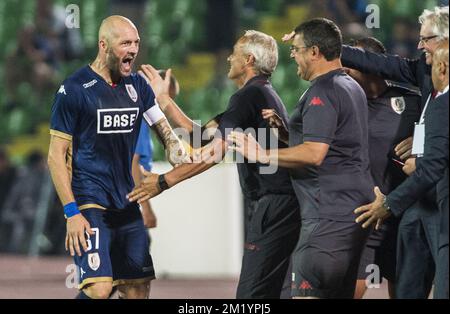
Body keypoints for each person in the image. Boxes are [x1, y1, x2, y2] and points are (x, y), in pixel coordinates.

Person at [130, 30, 301, 299]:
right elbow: (200, 136)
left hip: (273, 205)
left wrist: (164, 182)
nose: (230, 57)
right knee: (276, 292)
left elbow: (215, 151)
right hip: (279, 204)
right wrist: (164, 100)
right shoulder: (258, 95)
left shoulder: (248, 97)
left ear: (249, 59)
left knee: (251, 296)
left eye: (235, 52)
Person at [229, 18, 374, 299]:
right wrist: (286, 136)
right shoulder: (350, 86)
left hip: (325, 217)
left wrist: (261, 153)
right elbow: (336, 146)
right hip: (351, 213)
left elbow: (315, 153)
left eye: (296, 49)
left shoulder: (323, 91)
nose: (292, 54)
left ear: (315, 52)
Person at [47, 15, 188, 299]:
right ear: (104, 45)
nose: (134, 49)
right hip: (89, 201)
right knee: (100, 289)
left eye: (136, 42)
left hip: (126, 202)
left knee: (137, 290)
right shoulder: (73, 89)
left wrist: (196, 151)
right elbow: (55, 157)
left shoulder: (140, 87)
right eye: (125, 43)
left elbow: (170, 141)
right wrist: (71, 212)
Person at [341, 6, 448, 298]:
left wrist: (424, 152)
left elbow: (438, 156)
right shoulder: (424, 71)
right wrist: (328, 48)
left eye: (426, 38)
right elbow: (381, 62)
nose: (419, 45)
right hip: (416, 204)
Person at [344, 37, 422, 299]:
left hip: (405, 217)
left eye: (351, 64)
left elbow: (440, 134)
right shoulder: (344, 104)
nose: (344, 70)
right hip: (366, 218)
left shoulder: (413, 100)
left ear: (373, 66)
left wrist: (422, 139)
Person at [132, 70, 179, 231]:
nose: (164, 107)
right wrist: (146, 208)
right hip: (124, 204)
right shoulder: (138, 117)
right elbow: (133, 163)